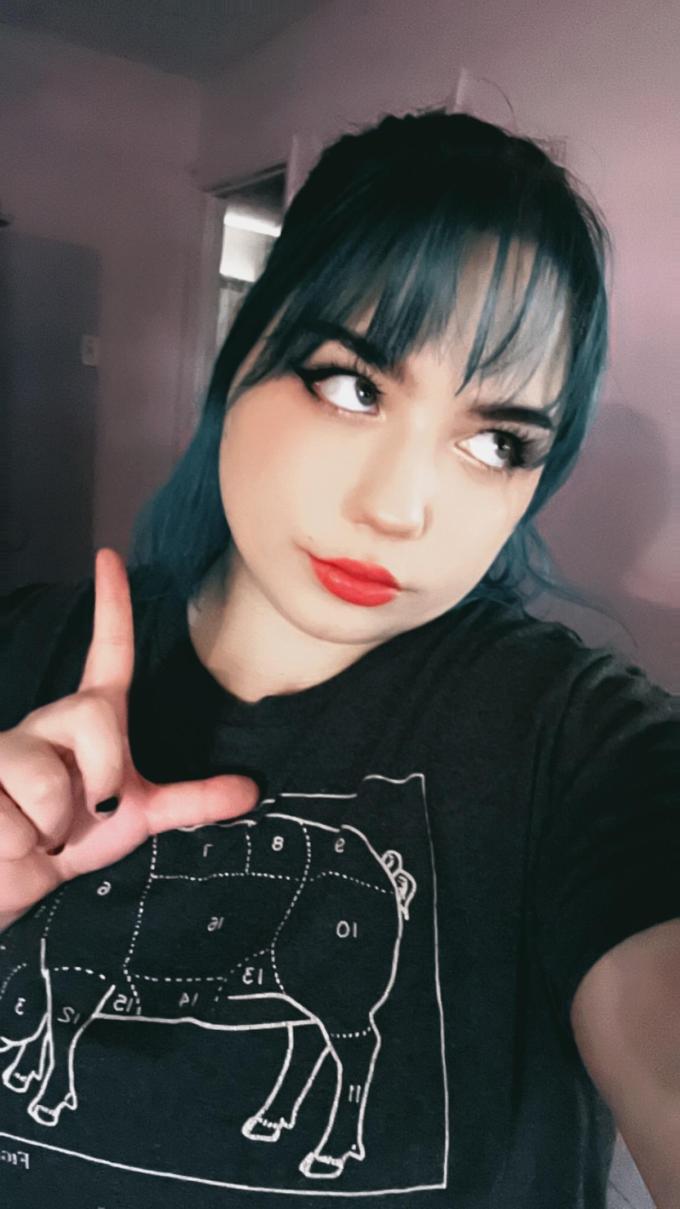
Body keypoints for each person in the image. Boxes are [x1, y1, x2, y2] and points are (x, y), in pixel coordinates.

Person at [0, 109, 677, 1209]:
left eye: (496, 442)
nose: (400, 509)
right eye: (352, 385)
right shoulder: (20, 654)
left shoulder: (577, 743)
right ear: (243, 354)